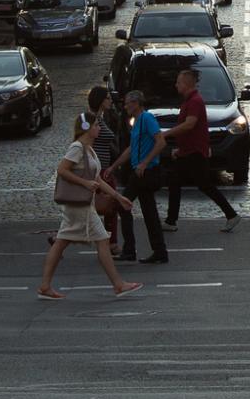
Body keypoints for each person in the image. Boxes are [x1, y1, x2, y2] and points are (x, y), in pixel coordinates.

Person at [37, 113, 144, 301]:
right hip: (79, 206)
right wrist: (84, 183)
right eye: (96, 125)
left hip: (80, 205)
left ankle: (45, 286)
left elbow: (98, 179)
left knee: (62, 241)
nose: (99, 128)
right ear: (86, 127)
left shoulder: (89, 150)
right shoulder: (77, 148)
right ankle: (118, 285)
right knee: (102, 240)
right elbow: (62, 169)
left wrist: (119, 197)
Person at [162, 68, 239, 233]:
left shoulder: (194, 101)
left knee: (199, 184)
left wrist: (167, 133)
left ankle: (231, 215)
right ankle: (171, 220)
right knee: (185, 183)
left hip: (194, 152)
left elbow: (190, 124)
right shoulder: (190, 101)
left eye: (178, 82)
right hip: (190, 151)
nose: (176, 85)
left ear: (186, 84)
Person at [88, 87, 137, 261]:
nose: (110, 100)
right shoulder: (92, 119)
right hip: (99, 169)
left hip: (104, 168)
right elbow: (85, 142)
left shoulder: (102, 117)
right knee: (110, 205)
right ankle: (112, 243)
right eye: (108, 98)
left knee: (97, 208)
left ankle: (111, 242)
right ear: (101, 100)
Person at [124, 89, 170, 264]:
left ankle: (129, 249)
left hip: (145, 172)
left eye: (128, 102)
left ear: (136, 103)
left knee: (124, 204)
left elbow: (161, 142)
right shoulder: (137, 121)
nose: (125, 106)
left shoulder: (147, 118)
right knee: (149, 212)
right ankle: (160, 251)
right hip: (140, 172)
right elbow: (131, 149)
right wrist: (114, 166)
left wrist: (144, 163)